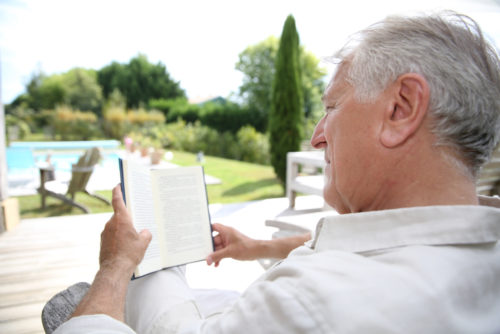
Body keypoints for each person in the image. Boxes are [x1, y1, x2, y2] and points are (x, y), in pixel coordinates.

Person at [54, 11, 500, 333]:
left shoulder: (317, 303)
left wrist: (117, 267)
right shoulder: (475, 246)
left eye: (332, 107)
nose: (317, 137)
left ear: (401, 109)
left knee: (66, 307)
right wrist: (258, 247)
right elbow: (385, 242)